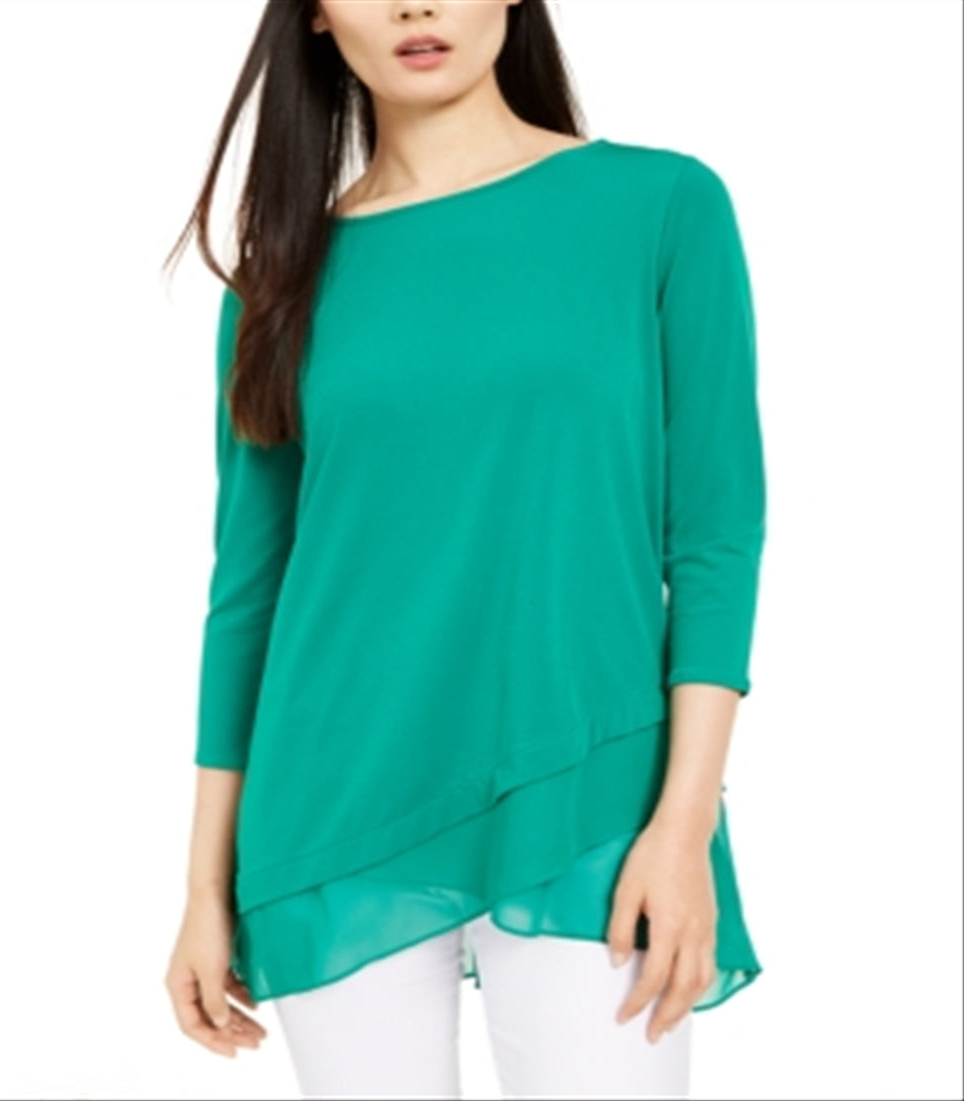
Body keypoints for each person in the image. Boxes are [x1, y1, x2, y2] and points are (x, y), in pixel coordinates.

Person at [162, 1, 768, 1097]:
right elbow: (248, 595)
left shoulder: (660, 206)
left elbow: (715, 539)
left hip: (591, 788)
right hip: (331, 807)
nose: (415, 5)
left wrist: (684, 823)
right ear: (313, 17)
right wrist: (204, 888)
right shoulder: (278, 280)